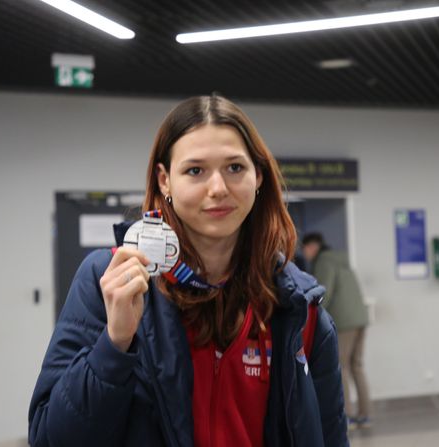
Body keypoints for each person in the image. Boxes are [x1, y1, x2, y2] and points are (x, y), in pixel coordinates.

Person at [28, 95, 349, 446]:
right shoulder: (108, 280)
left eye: (235, 168)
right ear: (165, 180)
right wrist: (114, 345)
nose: (218, 189)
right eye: (195, 171)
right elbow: (49, 439)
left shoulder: (298, 308)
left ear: (258, 176)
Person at [302, 233, 371, 429]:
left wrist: (312, 317)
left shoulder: (324, 261)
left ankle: (346, 416)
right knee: (357, 366)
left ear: (312, 247)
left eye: (304, 249)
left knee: (341, 367)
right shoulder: (342, 259)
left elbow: (324, 293)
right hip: (360, 318)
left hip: (344, 322)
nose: (304, 254)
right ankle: (365, 415)